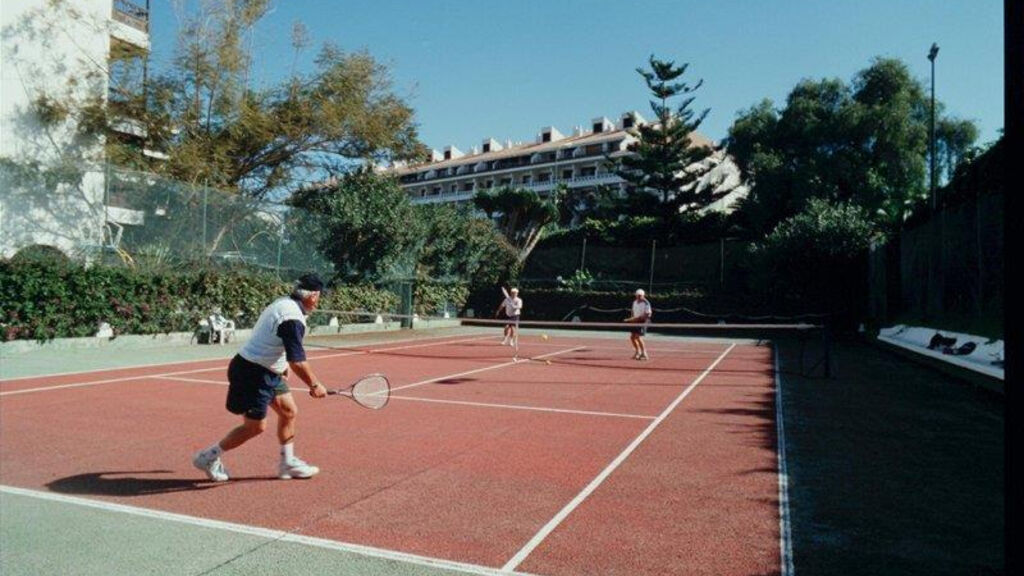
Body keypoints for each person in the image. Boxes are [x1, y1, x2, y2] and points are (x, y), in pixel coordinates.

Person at [192, 274, 329, 482]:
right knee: (255, 427)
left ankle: (287, 463)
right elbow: (298, 361)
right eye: (319, 296)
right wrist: (315, 384)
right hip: (252, 373)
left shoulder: (284, 303)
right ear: (312, 296)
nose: (319, 301)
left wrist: (281, 366)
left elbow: (272, 339)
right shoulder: (292, 319)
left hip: (267, 370)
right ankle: (208, 457)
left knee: (289, 411)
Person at [625, 288, 652, 361]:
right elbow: (633, 312)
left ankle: (644, 353)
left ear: (643, 295)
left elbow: (648, 314)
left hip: (643, 321)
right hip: (635, 321)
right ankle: (638, 352)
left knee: (638, 337)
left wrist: (637, 319)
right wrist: (632, 319)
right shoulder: (634, 302)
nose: (639, 297)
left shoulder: (646, 303)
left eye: (640, 295)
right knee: (632, 337)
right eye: (638, 295)